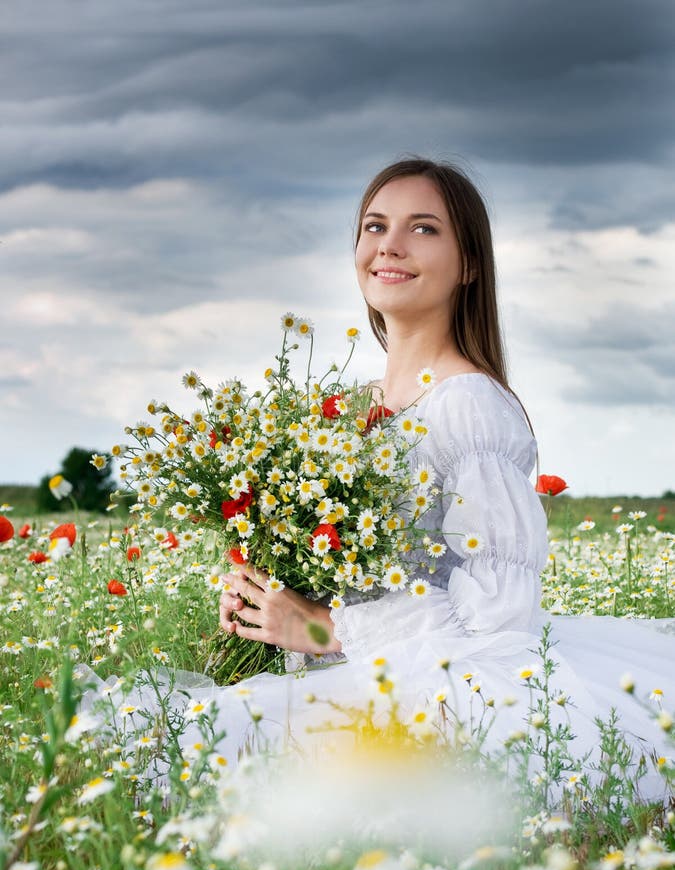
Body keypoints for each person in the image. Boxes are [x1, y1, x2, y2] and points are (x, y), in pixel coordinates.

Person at [83, 158, 675, 799]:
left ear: (470, 263)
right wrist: (266, 600)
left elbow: (501, 624)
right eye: (374, 225)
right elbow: (339, 570)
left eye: (423, 229)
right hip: (368, 671)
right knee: (145, 746)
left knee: (212, 766)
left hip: (454, 691)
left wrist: (320, 628)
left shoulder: (467, 407)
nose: (389, 245)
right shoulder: (347, 408)